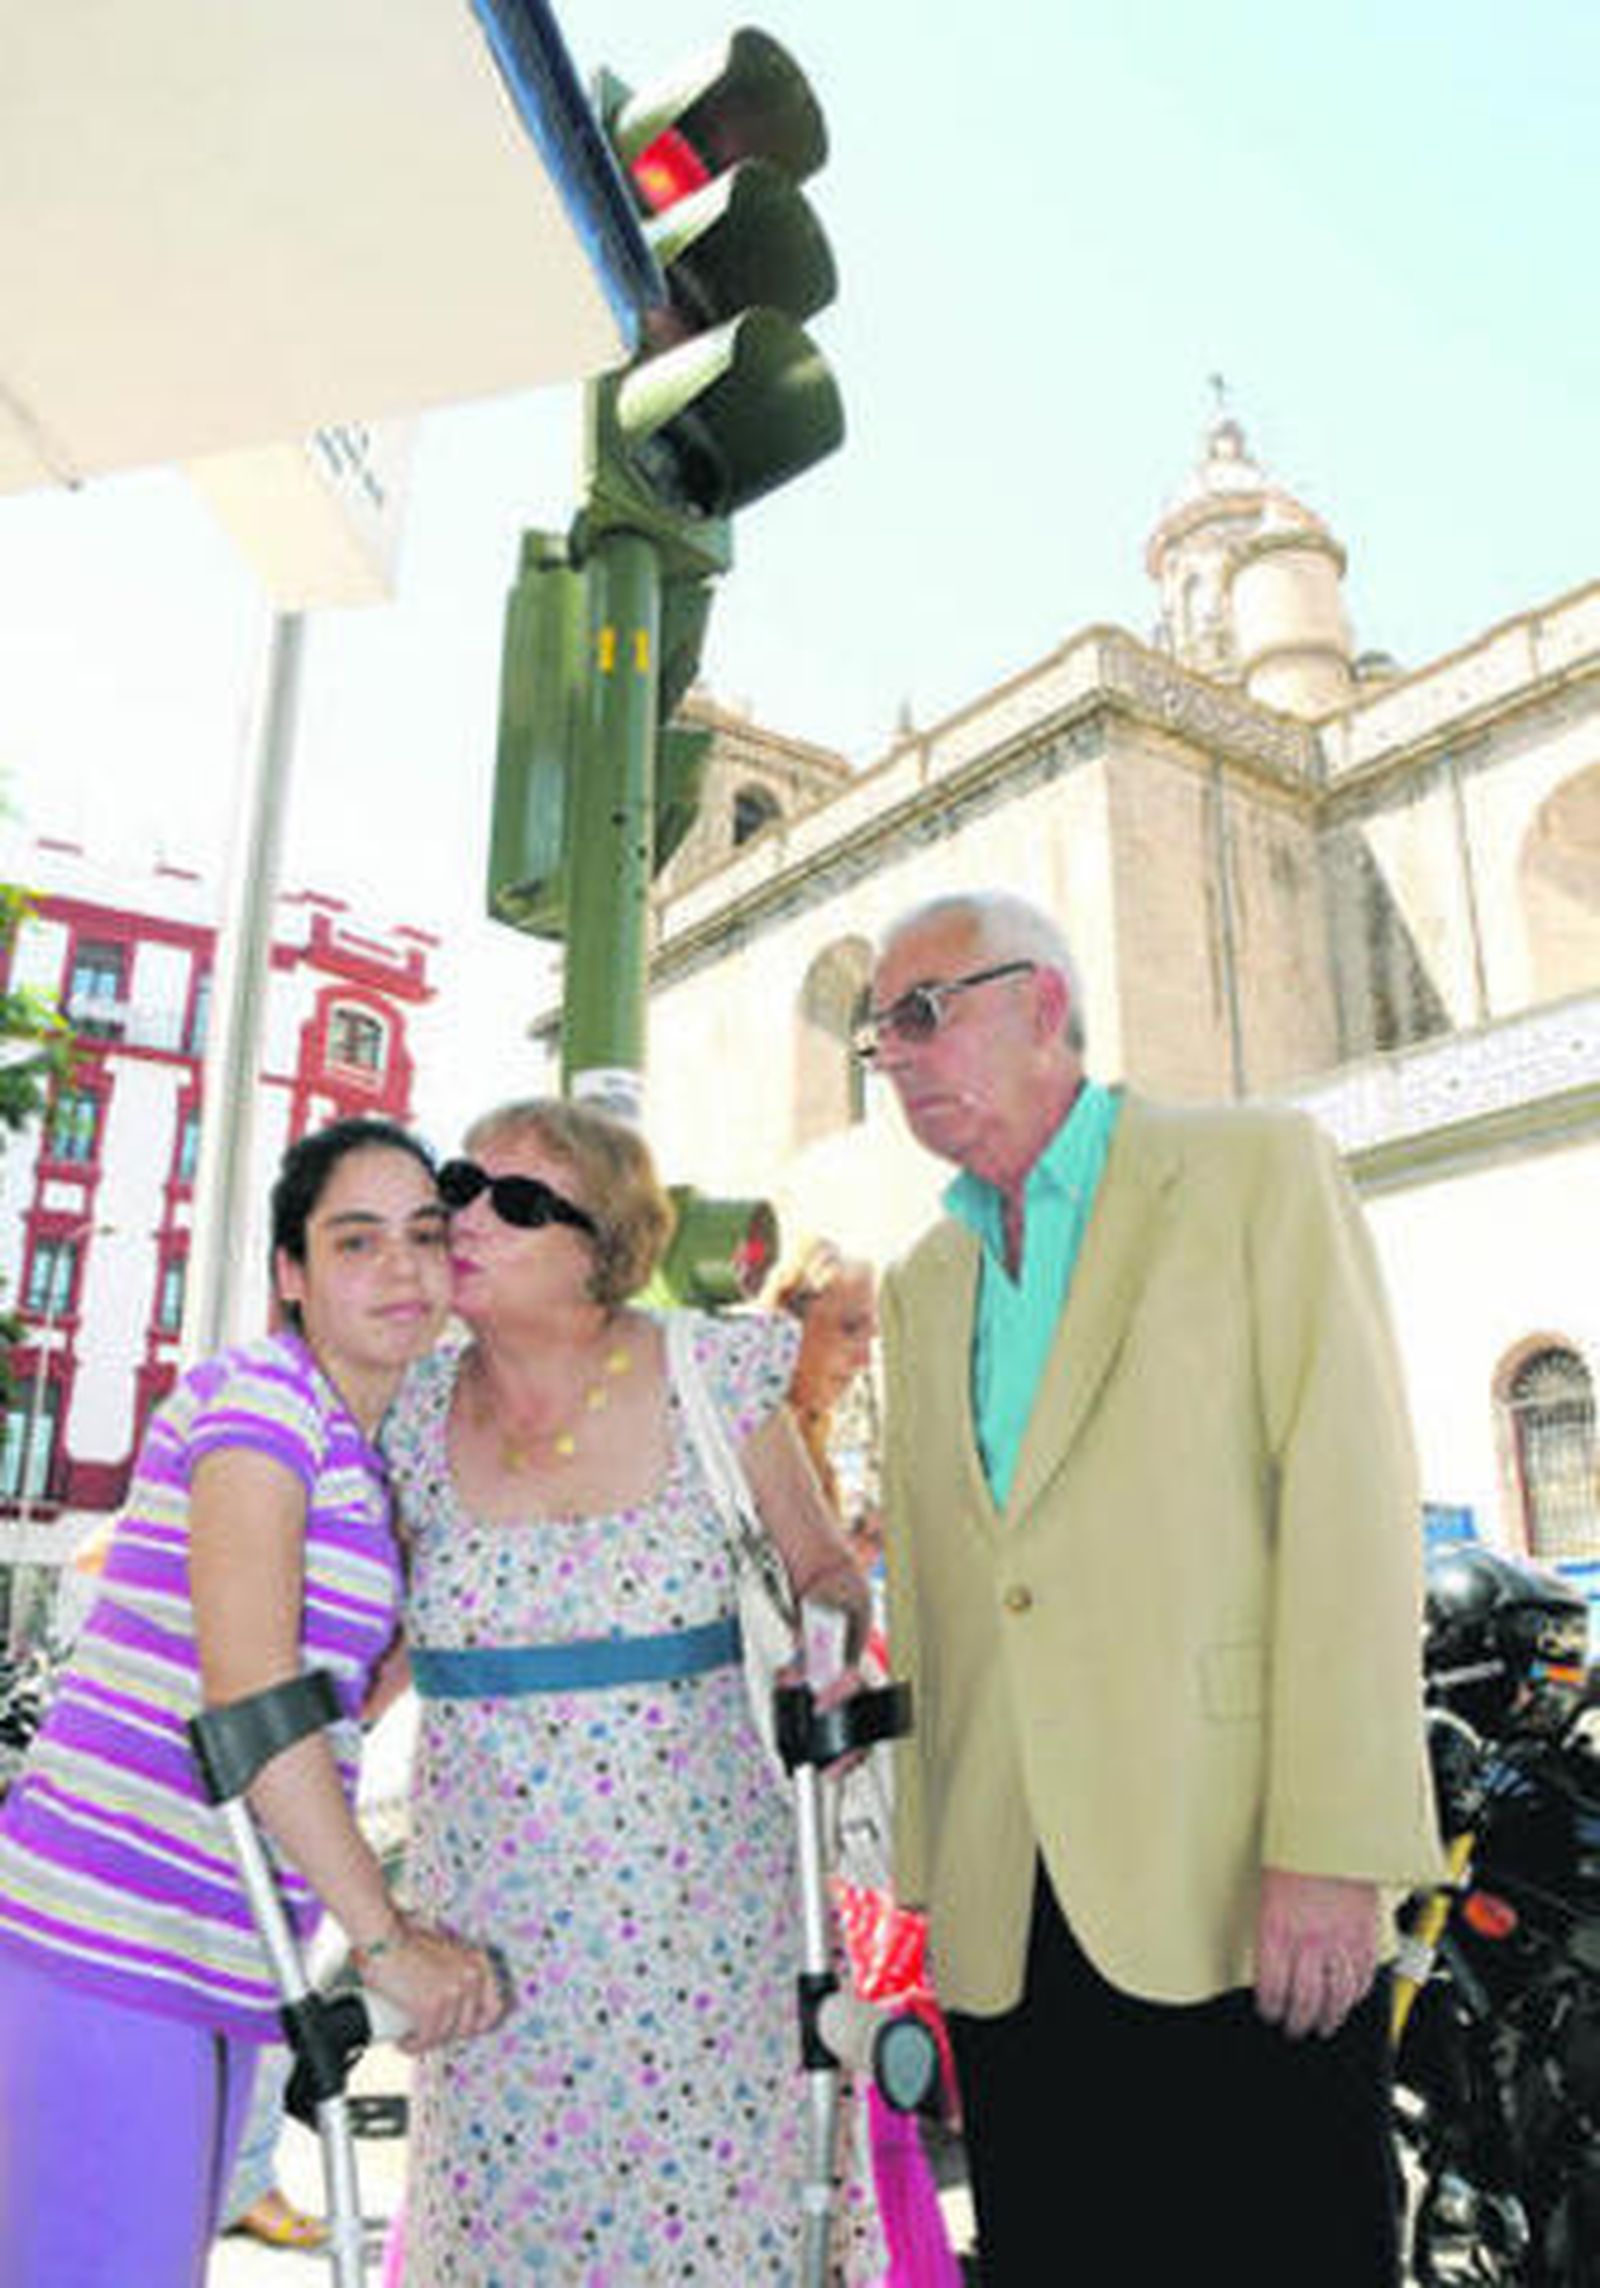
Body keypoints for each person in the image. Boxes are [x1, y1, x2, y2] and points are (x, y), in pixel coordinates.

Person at [860, 890, 1445, 2286]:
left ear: (1044, 1005)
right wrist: (936, 1892)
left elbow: (1352, 1508)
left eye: (924, 1013)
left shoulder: (1255, 1170)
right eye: (880, 1032)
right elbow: (945, 1592)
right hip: (1017, 1903)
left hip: (1240, 1874)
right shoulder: (922, 1280)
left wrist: (1332, 1841)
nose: (896, 1055)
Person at [382, 1095, 882, 2283]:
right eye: (459, 1182)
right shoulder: (402, 1406)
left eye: (517, 1200)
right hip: (488, 1934)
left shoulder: (706, 1370)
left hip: (706, 1925)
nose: (465, 1215)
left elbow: (821, 1565)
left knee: (722, 2225)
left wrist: (830, 1647)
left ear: (601, 1245)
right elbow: (374, 1644)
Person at [0, 1115, 507, 2288]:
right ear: (291, 1272)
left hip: (217, 1949)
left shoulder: (360, 1452)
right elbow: (253, 1697)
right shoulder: (259, 1403)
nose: (399, 1269)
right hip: (107, 1934)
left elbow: (336, 1701)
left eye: (424, 1238)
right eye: (355, 1240)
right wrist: (386, 1941)